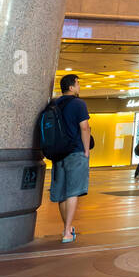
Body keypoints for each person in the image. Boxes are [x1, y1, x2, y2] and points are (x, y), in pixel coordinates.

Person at [48, 74, 90, 245]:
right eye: (78, 83)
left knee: (61, 193)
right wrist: (86, 151)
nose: (79, 86)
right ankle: (67, 231)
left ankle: (67, 227)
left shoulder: (54, 104)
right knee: (73, 191)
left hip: (58, 153)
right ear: (72, 87)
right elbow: (84, 128)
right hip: (75, 152)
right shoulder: (79, 104)